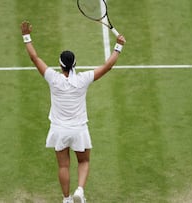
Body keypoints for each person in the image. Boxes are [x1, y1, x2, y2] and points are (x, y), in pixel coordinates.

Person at [20, 21, 126, 203]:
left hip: (59, 130)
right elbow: (107, 66)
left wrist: (26, 36)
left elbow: (35, 58)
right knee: (84, 161)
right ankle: (80, 190)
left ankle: (67, 199)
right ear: (75, 64)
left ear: (60, 65)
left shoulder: (53, 78)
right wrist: (118, 46)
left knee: (63, 165)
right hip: (78, 130)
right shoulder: (83, 79)